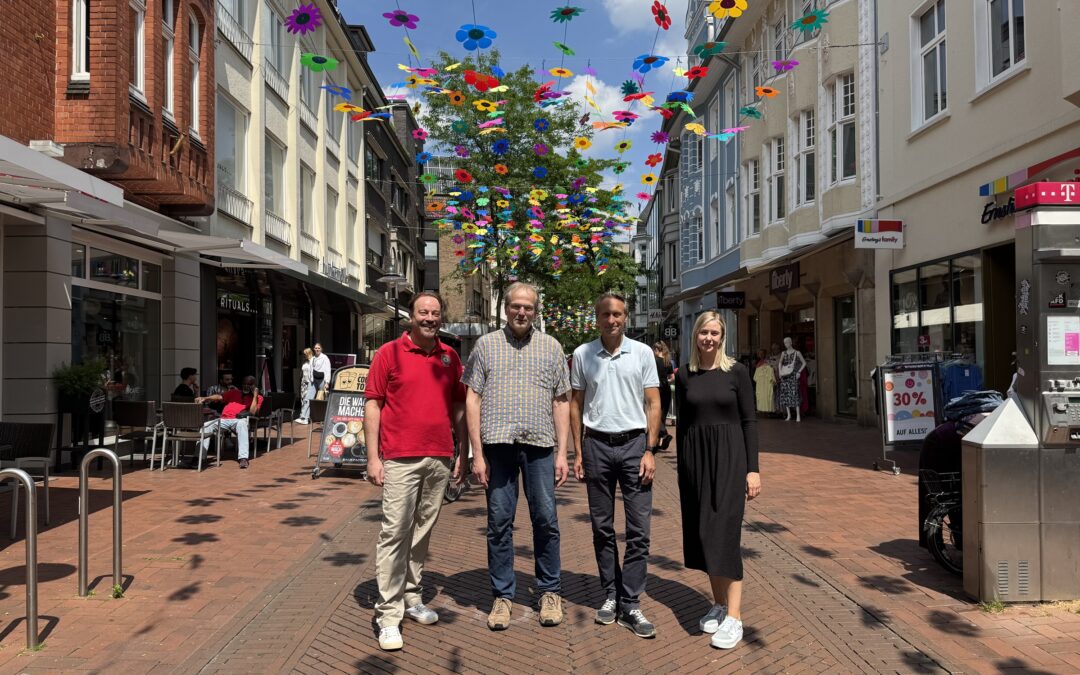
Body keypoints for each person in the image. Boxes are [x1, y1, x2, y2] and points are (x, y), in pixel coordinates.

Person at [463, 282, 571, 631]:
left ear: (536, 310)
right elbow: (472, 400)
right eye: (515, 307)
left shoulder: (552, 348)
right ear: (505, 309)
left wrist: (562, 453)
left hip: (540, 447)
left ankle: (549, 591)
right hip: (498, 447)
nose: (522, 312)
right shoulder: (485, 345)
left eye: (528, 307)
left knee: (546, 520)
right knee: (498, 523)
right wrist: (476, 454)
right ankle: (502, 595)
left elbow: (561, 401)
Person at [364, 291, 468, 652]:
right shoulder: (388, 353)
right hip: (399, 457)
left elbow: (458, 406)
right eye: (423, 312)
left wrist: (463, 451)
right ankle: (388, 614)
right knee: (394, 532)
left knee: (423, 531)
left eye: (435, 313)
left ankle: (411, 595)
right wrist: (373, 457)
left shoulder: (449, 355)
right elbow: (373, 405)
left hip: (439, 455)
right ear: (411, 316)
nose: (429, 318)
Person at [570, 292, 662, 639]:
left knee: (639, 530)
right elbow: (576, 405)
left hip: (635, 446)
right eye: (607, 314)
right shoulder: (582, 354)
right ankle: (611, 594)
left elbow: (653, 403)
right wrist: (578, 452)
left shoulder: (641, 353)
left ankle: (631, 600)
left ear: (626, 317)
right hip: (596, 446)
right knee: (602, 527)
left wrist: (650, 450)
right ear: (597, 318)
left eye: (619, 314)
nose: (613, 320)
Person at [675, 311, 761, 650]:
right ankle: (719, 603)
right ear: (695, 336)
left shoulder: (737, 372)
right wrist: (683, 468)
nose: (709, 338)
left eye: (715, 333)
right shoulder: (685, 375)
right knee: (703, 534)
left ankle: (735, 617)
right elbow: (682, 424)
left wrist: (752, 469)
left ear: (721, 337)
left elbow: (750, 422)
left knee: (724, 533)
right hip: (695, 461)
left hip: (729, 459)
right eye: (704, 332)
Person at [195, 375, 262, 469]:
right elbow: (219, 397)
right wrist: (206, 398)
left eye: (249, 384)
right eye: (244, 384)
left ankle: (243, 458)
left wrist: (255, 395)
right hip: (224, 419)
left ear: (254, 385)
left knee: (242, 424)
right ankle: (199, 457)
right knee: (205, 426)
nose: (246, 386)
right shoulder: (234, 392)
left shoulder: (258, 397)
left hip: (239, 420)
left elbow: (253, 412)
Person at [777, 337, 806, 422]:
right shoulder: (783, 353)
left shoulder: (797, 353)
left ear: (790, 343)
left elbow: (804, 363)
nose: (786, 344)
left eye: (787, 342)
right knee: (786, 395)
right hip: (785, 376)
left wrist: (799, 372)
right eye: (784, 343)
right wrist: (780, 372)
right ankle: (789, 415)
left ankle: (798, 415)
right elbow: (780, 363)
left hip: (793, 376)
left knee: (795, 394)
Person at [652, 342, 674, 450]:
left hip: (657, 388)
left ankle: (663, 434)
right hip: (666, 389)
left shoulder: (654, 361)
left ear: (656, 349)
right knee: (663, 415)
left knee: (655, 412)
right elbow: (672, 377)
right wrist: (666, 381)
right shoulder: (667, 361)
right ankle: (660, 440)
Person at [294, 348, 315, 424]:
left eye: (305, 354)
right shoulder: (304, 362)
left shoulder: (313, 361)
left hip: (310, 383)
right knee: (303, 399)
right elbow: (301, 373)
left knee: (307, 400)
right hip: (303, 382)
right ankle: (302, 416)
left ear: (308, 353)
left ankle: (305, 417)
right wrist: (300, 382)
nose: (303, 355)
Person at [753, 350, 777, 415]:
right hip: (762, 387)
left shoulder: (767, 364)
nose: (760, 355)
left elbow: (755, 378)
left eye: (761, 354)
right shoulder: (758, 363)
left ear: (764, 354)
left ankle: (765, 411)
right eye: (759, 353)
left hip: (764, 387)